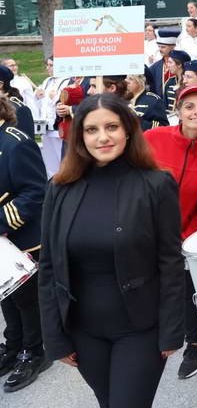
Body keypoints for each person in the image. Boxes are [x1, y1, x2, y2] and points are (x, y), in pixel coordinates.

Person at [38, 93, 184, 408]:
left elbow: (171, 261)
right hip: (84, 332)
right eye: (91, 129)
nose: (103, 137)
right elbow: (49, 266)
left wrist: (173, 328)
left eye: (112, 126)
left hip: (140, 329)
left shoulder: (156, 185)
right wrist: (54, 337)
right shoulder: (59, 189)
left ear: (128, 130)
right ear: (79, 136)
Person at [142, 85, 197, 381]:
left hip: (185, 234)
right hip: (145, 230)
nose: (196, 112)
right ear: (178, 111)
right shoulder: (153, 138)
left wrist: (196, 237)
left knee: (187, 293)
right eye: (189, 106)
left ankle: (194, 344)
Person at [0, 94, 49, 392]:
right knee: (5, 294)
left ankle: (34, 351)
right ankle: (14, 344)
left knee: (26, 299)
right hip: (2, 238)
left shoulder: (16, 142)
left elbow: (34, 191)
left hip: (22, 235)